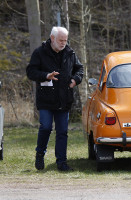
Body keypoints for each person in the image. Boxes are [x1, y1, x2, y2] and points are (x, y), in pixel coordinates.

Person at [26, 26, 84, 171]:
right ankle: (40, 154)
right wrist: (46, 76)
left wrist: (75, 80)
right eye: (60, 40)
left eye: (65, 40)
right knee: (45, 127)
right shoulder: (40, 52)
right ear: (52, 38)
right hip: (46, 98)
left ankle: (62, 163)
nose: (63, 43)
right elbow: (31, 72)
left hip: (64, 98)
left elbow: (80, 69)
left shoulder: (70, 53)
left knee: (62, 131)